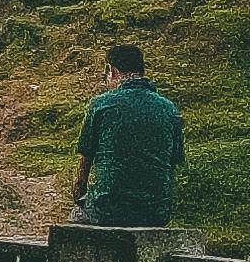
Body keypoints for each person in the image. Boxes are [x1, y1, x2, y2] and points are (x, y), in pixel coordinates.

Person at [76, 43, 186, 226]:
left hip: (108, 209)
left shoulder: (100, 105)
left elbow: (84, 164)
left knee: (74, 222)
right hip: (155, 213)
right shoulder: (169, 109)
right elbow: (172, 166)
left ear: (112, 70)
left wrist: (79, 194)